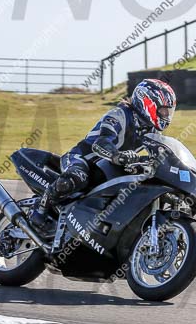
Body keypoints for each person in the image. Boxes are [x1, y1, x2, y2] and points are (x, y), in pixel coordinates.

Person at [28, 78, 177, 235]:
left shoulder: (152, 132)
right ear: (147, 103)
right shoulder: (120, 114)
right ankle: (40, 210)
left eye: (169, 111)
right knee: (77, 176)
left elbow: (161, 155)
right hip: (82, 158)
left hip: (106, 171)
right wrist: (117, 156)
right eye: (163, 110)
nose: (166, 116)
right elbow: (101, 142)